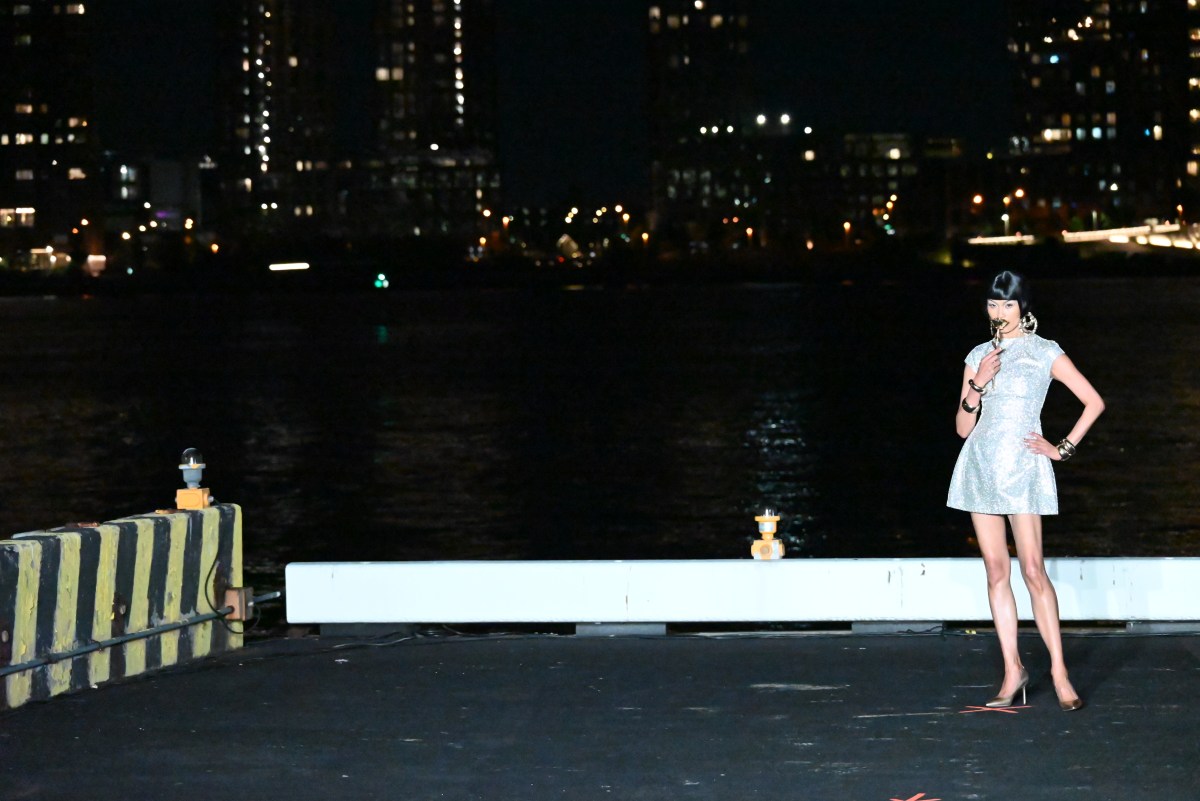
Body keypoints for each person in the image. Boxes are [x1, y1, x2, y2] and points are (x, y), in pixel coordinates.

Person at [947, 270, 1105, 712]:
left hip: (1023, 467)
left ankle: (1058, 671)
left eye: (1007, 306)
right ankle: (1013, 669)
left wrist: (1062, 449)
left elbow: (1093, 402)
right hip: (980, 466)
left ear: (1023, 308)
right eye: (993, 306)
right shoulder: (978, 355)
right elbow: (963, 428)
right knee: (997, 571)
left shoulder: (1044, 352)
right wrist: (977, 383)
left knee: (1033, 569)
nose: (999, 314)